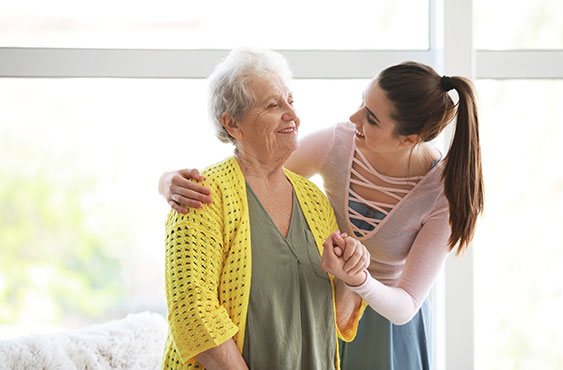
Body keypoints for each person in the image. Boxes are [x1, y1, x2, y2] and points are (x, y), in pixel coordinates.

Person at [160, 59, 483, 370]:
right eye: (274, 105)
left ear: (409, 139)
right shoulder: (338, 144)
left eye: (371, 118)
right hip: (333, 313)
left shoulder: (442, 193)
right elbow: (254, 172)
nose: (354, 118)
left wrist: (354, 277)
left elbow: (402, 305)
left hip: (382, 320)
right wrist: (167, 182)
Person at [161, 48, 370, 370]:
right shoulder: (200, 196)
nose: (292, 115)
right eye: (273, 105)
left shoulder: (313, 199)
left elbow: (334, 319)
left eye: (291, 101)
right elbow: (193, 312)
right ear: (232, 124)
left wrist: (350, 278)